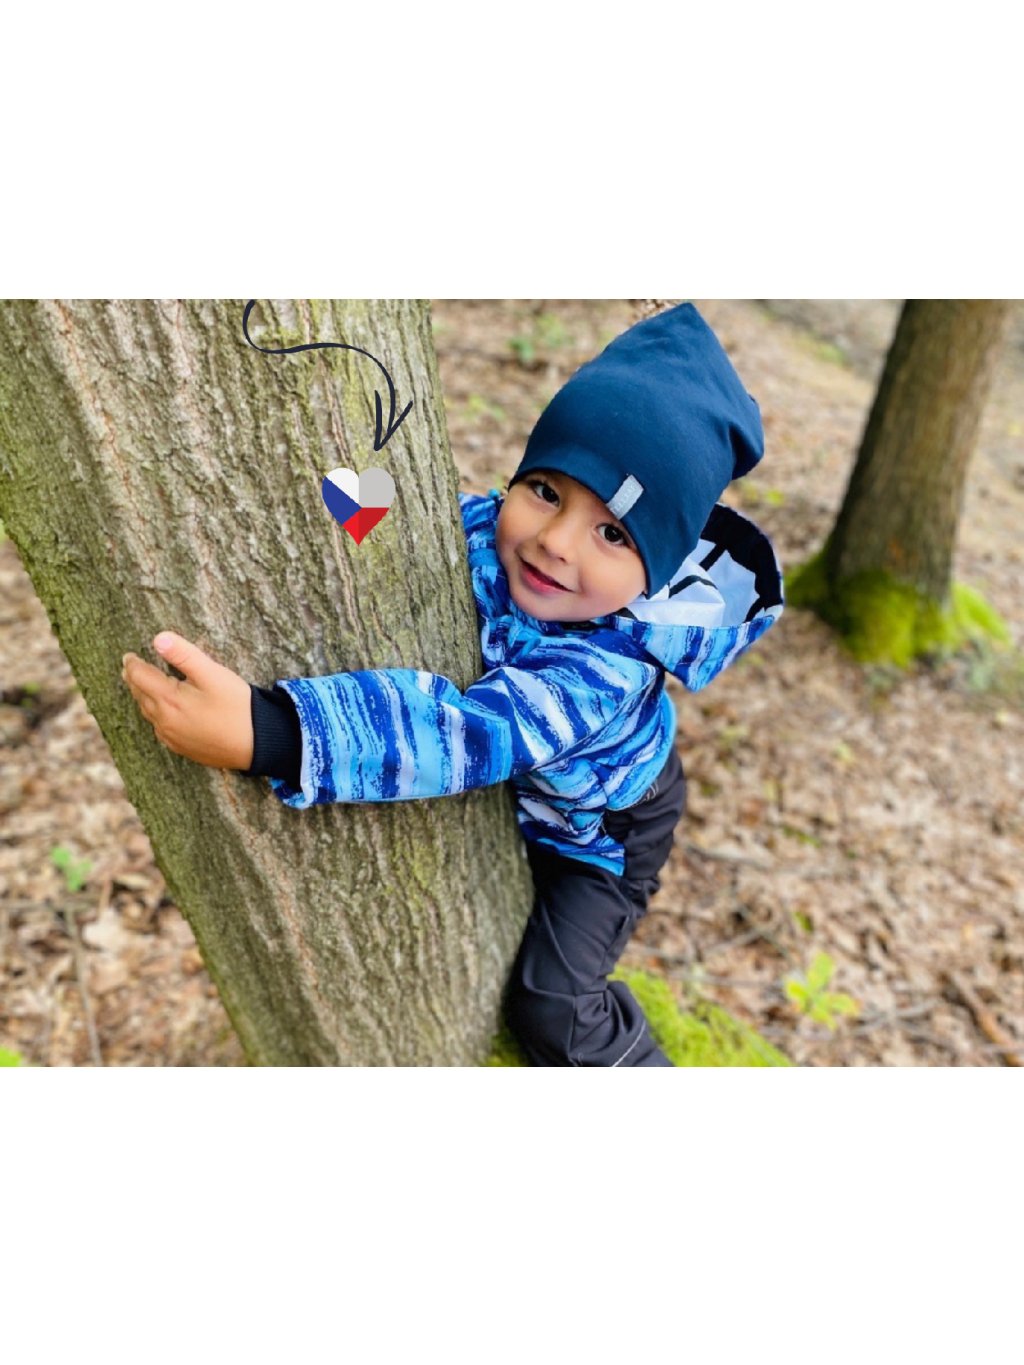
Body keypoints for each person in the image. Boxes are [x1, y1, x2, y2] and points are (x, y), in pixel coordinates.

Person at [121, 302, 784, 1066]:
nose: (554, 541)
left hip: (604, 832)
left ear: (656, 571)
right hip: (543, 784)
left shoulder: (604, 672)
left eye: (612, 533)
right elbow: (399, 529)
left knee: (553, 1004)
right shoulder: (488, 529)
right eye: (546, 490)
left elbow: (464, 733)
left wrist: (273, 732)